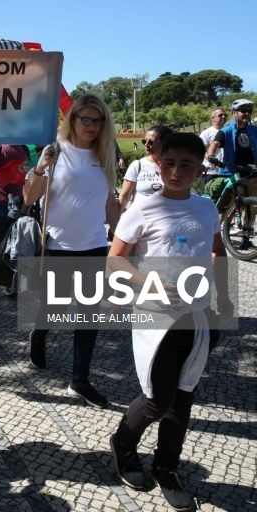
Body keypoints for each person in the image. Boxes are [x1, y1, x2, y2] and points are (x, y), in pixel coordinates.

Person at [107, 133, 232, 511]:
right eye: (170, 163)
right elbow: (115, 259)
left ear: (199, 169)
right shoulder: (142, 209)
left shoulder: (207, 207)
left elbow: (217, 249)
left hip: (196, 316)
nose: (177, 171)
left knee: (184, 396)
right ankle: (124, 444)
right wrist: (149, 282)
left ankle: (167, 467)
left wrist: (221, 296)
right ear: (158, 164)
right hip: (155, 315)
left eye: (187, 165)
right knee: (157, 399)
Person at [23, 93, 120, 408]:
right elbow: (28, 197)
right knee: (55, 306)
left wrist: (119, 233)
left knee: (88, 317)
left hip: (94, 244)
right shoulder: (55, 152)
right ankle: (39, 335)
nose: (91, 126)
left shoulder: (105, 154)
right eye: (85, 119)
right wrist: (40, 169)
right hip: (58, 245)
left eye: (98, 120)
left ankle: (79, 381)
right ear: (72, 120)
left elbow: (108, 201)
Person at [205, 98, 257, 211]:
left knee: (253, 207)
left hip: (252, 173)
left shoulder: (254, 130)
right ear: (234, 112)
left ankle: (248, 228)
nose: (247, 113)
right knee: (230, 206)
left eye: (249, 110)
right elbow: (213, 145)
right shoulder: (226, 130)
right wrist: (211, 157)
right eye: (243, 110)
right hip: (233, 173)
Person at [117, 125, 173, 212]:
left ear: (165, 143)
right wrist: (116, 222)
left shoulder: (175, 167)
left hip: (166, 220)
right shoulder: (137, 165)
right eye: (144, 141)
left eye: (151, 142)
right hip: (138, 220)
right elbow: (124, 196)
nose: (146, 145)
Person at [0, 144, 32, 220]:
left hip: (19, 201)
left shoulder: (24, 148)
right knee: (1, 230)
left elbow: (28, 173)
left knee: (18, 229)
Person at [199, 107, 227, 182]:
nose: (224, 117)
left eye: (225, 115)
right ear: (213, 118)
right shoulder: (206, 133)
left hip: (226, 172)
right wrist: (212, 159)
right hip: (211, 172)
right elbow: (201, 150)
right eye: (220, 115)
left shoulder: (228, 131)